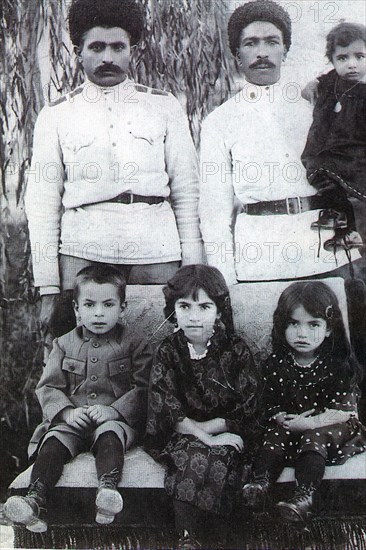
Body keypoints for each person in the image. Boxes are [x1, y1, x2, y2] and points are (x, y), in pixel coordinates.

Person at [25, 0, 203, 340]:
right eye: (96, 47)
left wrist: (193, 269)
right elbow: (43, 204)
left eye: (117, 47)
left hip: (156, 253)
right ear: (78, 52)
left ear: (132, 50)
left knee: (159, 351)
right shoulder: (56, 114)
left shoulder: (163, 106)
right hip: (84, 254)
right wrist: (48, 286)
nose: (107, 57)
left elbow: (187, 193)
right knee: (88, 361)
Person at [199, 0, 360, 286]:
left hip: (325, 251)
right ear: (237, 54)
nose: (262, 53)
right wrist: (226, 282)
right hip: (262, 260)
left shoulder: (314, 103)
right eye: (250, 44)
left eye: (272, 42)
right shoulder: (218, 122)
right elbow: (214, 212)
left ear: (284, 49)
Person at [3, 265, 153, 532]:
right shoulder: (63, 344)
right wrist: (67, 412)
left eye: (108, 304)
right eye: (89, 304)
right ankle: (35, 500)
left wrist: (114, 412)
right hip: (71, 422)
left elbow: (144, 388)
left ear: (122, 307)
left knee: (110, 437)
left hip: (112, 422)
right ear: (76, 309)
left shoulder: (135, 344)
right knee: (52, 443)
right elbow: (47, 388)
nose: (98, 313)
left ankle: (106, 493)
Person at [144, 264, 260, 548]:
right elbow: (165, 404)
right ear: (173, 310)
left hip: (226, 429)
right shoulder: (169, 351)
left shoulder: (236, 350)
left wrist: (213, 432)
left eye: (205, 307)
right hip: (181, 433)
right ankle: (186, 538)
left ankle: (219, 541)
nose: (194, 317)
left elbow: (247, 405)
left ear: (219, 311)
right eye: (185, 306)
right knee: (191, 455)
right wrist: (202, 435)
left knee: (223, 457)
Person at [242, 281, 366, 522]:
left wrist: (309, 424)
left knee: (313, 437)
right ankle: (259, 485)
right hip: (292, 428)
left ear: (329, 328)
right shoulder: (277, 363)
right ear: (282, 325)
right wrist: (279, 416)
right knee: (275, 433)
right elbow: (269, 400)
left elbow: (344, 412)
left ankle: (303, 497)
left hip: (330, 428)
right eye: (293, 323)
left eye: (313, 325)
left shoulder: (338, 365)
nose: (302, 333)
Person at [301, 23, 366, 253]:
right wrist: (311, 86)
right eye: (342, 58)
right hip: (334, 150)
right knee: (321, 173)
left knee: (330, 172)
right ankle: (344, 231)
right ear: (332, 60)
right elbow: (314, 85)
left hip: (356, 154)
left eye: (359, 56)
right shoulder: (333, 81)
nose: (351, 64)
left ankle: (348, 228)